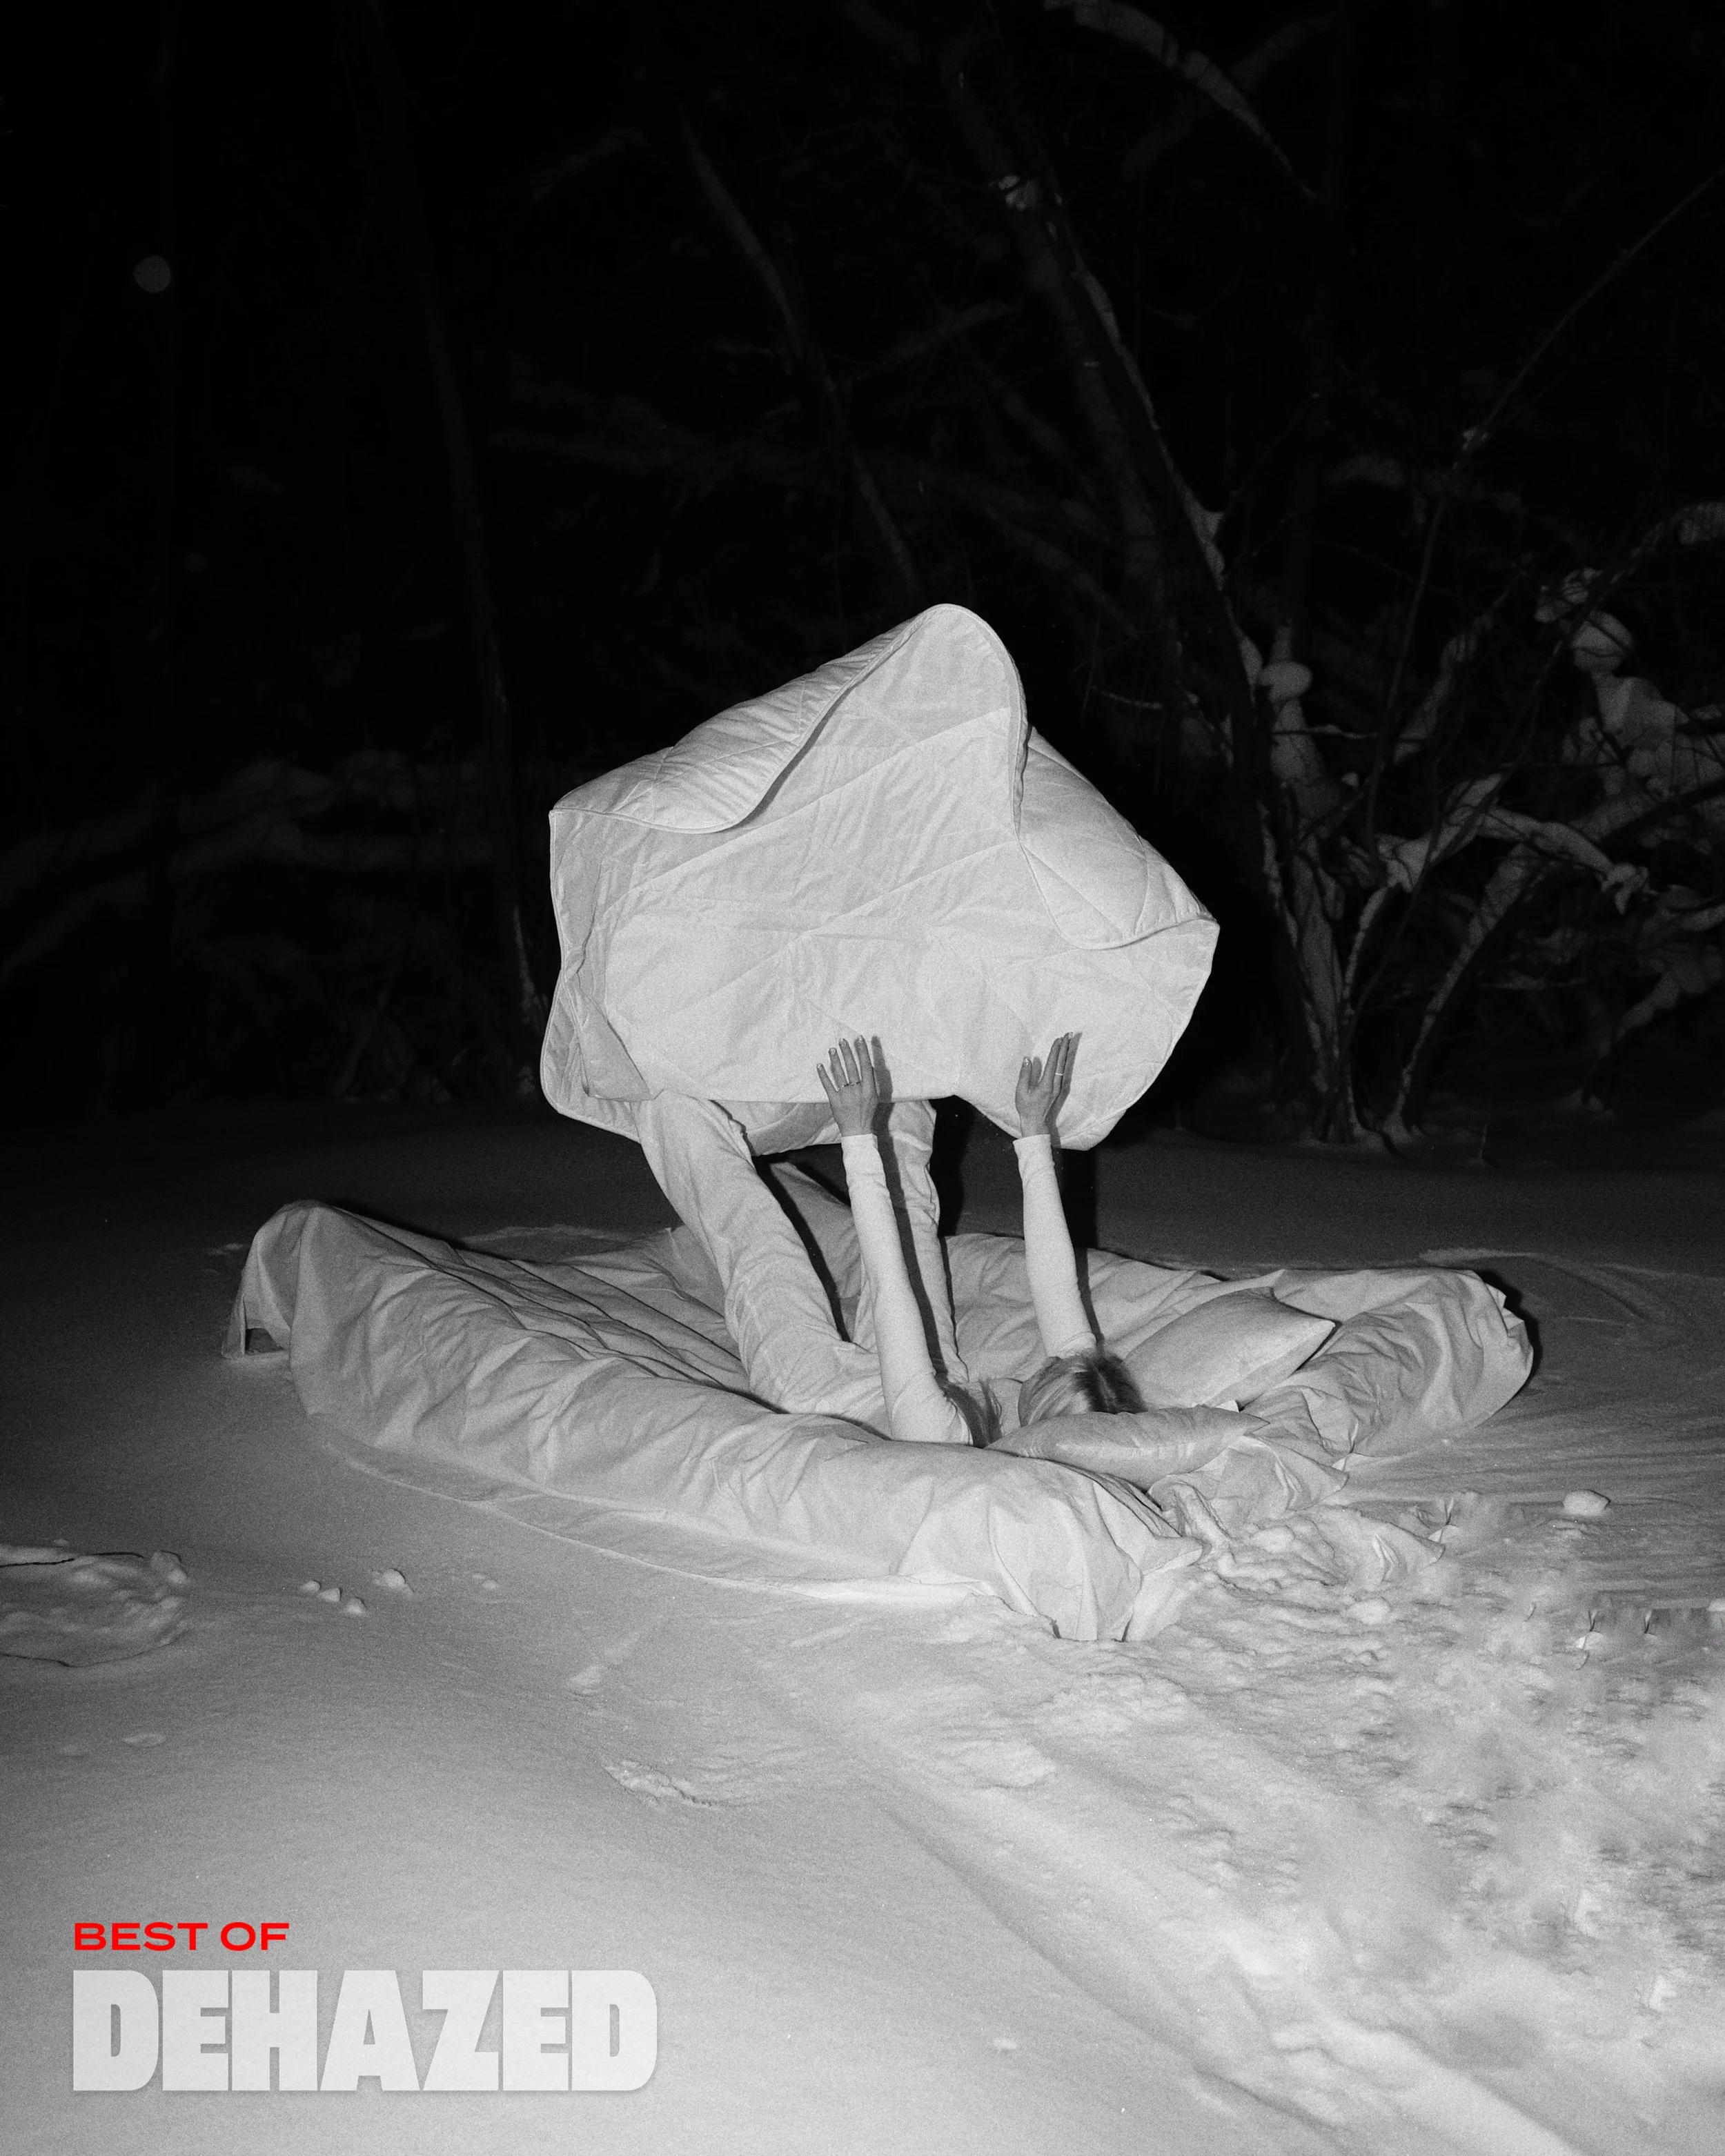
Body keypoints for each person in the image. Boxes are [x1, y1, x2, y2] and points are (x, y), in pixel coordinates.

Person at [818, 1032, 1145, 1447]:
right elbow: (1059, 1288)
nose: (1047, 1361)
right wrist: (1034, 1132)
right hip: (943, 1385)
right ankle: (897, 1067)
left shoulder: (937, 1435)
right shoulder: (1079, 1427)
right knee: (908, 1205)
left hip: (849, 1397)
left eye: (1049, 1370)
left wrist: (856, 1139)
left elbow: (890, 1290)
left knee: (765, 1241)